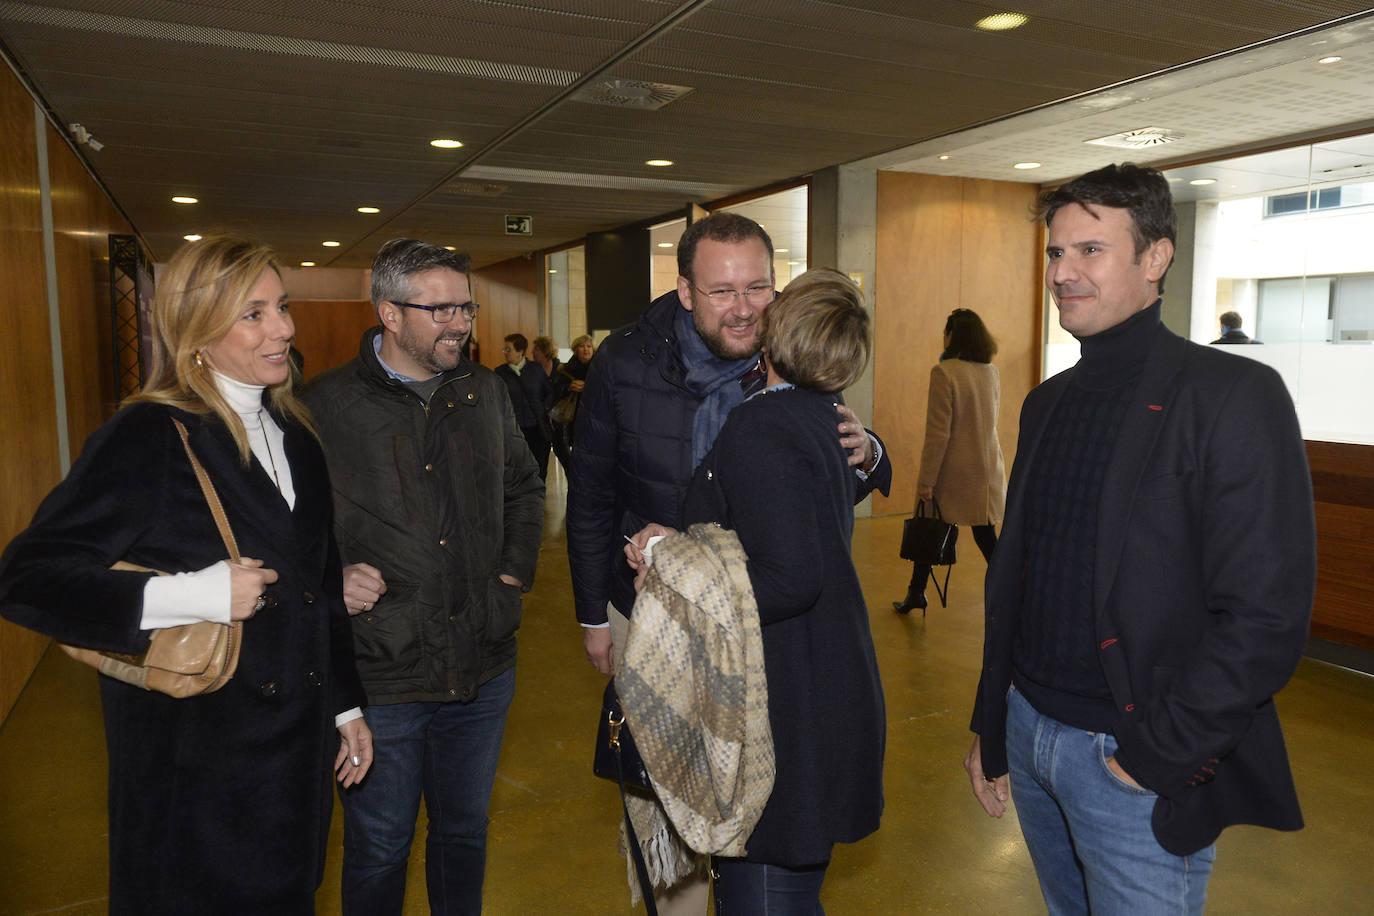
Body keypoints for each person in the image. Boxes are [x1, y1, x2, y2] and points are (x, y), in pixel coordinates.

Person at [964, 163, 1316, 915]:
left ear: (1156, 257)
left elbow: (1266, 615)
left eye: (1090, 250)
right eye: (1056, 253)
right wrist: (994, 722)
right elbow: (1020, 577)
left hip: (1129, 762)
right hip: (1030, 734)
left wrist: (1153, 758)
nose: (1063, 273)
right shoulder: (1047, 403)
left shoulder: (1231, 396)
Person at [0, 235, 373, 914]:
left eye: (282, 306)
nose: (283, 328)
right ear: (197, 332)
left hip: (292, 758)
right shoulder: (150, 434)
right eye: (253, 314)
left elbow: (319, 588)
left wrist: (344, 707)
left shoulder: (296, 435)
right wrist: (191, 595)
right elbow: (27, 576)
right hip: (193, 767)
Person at [567, 211, 890, 913]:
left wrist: (872, 453)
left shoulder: (788, 389)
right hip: (657, 618)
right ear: (686, 291)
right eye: (722, 291)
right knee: (679, 831)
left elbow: (807, 514)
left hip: (763, 646)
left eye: (759, 289)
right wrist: (594, 612)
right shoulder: (626, 363)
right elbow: (589, 495)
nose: (744, 307)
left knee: (755, 857)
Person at [302, 239, 544, 916]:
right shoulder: (323, 407)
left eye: (466, 307)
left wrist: (510, 577)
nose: (460, 322)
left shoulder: (485, 392)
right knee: (380, 848)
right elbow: (288, 527)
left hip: (483, 666)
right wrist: (328, 577)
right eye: (441, 309)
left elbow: (524, 489)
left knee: (463, 834)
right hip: (383, 675)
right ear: (390, 313)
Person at [894, 308, 1005, 614]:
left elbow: (938, 434)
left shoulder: (944, 373)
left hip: (952, 472)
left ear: (953, 335)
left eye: (946, 331)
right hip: (987, 469)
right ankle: (1011, 592)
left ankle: (917, 592)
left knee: (928, 527)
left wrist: (926, 481)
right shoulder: (991, 372)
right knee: (986, 535)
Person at [495, 332, 554, 480]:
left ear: (520, 351)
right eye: (504, 349)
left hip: (537, 428)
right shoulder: (500, 373)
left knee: (540, 467)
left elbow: (550, 392)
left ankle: (539, 492)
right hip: (513, 429)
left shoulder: (536, 369)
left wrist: (545, 409)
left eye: (508, 349)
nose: (505, 352)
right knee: (517, 469)